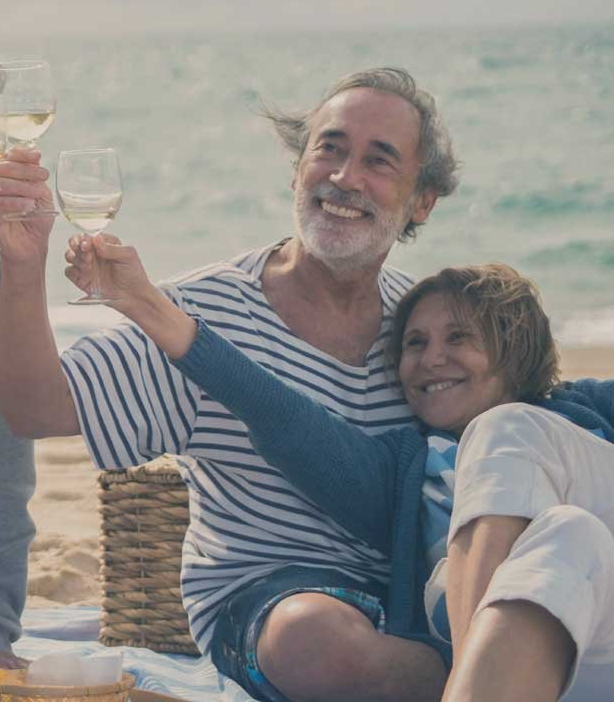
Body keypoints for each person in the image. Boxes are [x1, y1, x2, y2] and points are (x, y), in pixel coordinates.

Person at [0, 68, 460, 701]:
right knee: (319, 642)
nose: (346, 178)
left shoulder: (423, 325)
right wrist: (22, 267)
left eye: (379, 161)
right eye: (330, 149)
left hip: (406, 590)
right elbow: (35, 407)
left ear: (422, 200)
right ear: (297, 170)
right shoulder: (202, 313)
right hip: (267, 601)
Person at [66, 249, 614, 702]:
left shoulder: (571, 410)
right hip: (566, 651)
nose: (431, 358)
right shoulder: (402, 471)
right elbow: (279, 413)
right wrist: (157, 314)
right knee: (566, 532)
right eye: (415, 343)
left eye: (459, 338)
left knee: (508, 428)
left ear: (514, 350)